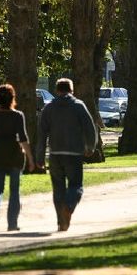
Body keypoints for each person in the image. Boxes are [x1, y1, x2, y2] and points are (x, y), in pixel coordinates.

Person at [36, 78, 97, 231]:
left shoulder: (49, 108)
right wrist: (90, 146)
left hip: (55, 154)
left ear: (57, 90)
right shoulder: (78, 106)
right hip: (74, 153)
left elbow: (42, 134)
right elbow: (90, 128)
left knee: (58, 189)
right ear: (72, 90)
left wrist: (40, 156)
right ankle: (69, 207)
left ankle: (61, 222)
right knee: (76, 185)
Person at [0, 84, 35, 231]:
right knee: (14, 191)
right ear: (13, 98)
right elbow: (23, 138)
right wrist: (30, 158)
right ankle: (12, 223)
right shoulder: (17, 115)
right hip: (14, 154)